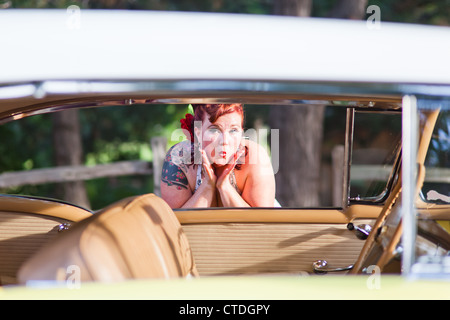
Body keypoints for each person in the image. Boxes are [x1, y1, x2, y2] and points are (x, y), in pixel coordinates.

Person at [161, 103, 276, 208]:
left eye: (233, 130)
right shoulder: (178, 158)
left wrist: (224, 187)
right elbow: (175, 223)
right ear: (198, 132)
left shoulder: (255, 157)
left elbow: (260, 223)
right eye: (214, 130)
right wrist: (207, 186)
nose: (224, 141)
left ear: (241, 132)